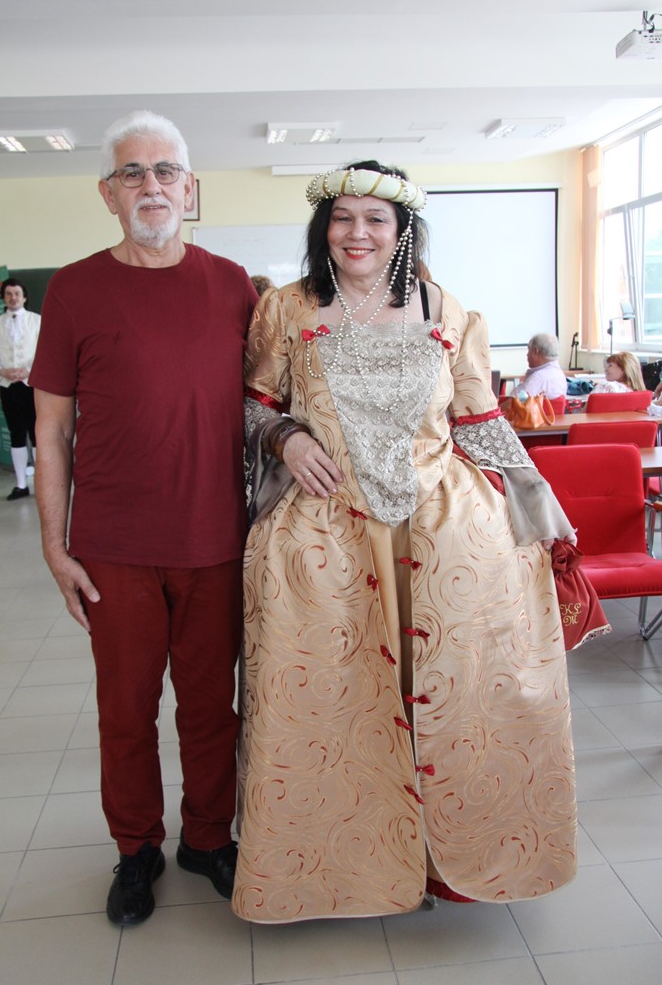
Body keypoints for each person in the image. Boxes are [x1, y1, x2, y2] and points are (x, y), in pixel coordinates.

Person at [234, 161, 579, 923]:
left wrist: (539, 510)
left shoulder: (445, 309)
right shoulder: (285, 308)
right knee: (339, 696)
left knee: (447, 693)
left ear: (402, 231)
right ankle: (348, 865)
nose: (356, 233)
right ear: (323, 227)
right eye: (342, 217)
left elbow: (477, 420)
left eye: (375, 219)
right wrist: (287, 436)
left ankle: (441, 859)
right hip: (326, 532)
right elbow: (251, 405)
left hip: (442, 531)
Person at [29, 110, 259, 926]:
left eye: (165, 171)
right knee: (125, 713)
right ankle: (135, 850)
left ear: (190, 190)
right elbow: (50, 430)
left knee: (209, 709)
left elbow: (268, 405)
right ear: (107, 193)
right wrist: (54, 547)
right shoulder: (74, 289)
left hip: (215, 541)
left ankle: (208, 838)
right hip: (113, 549)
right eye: (132, 173)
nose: (150, 186)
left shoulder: (232, 284)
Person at [0, 278, 40, 500]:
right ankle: (21, 484)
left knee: (37, 434)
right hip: (8, 386)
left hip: (32, 385)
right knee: (16, 433)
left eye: (17, 294)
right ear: (3, 297)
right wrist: (1, 370)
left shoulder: (37, 321)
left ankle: (41, 484)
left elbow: (46, 352)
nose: (13, 298)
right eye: (8, 294)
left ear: (24, 297)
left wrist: (27, 370)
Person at [509, 332, 567, 400]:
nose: (527, 354)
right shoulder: (559, 374)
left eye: (529, 350)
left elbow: (512, 401)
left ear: (536, 352)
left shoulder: (538, 378)